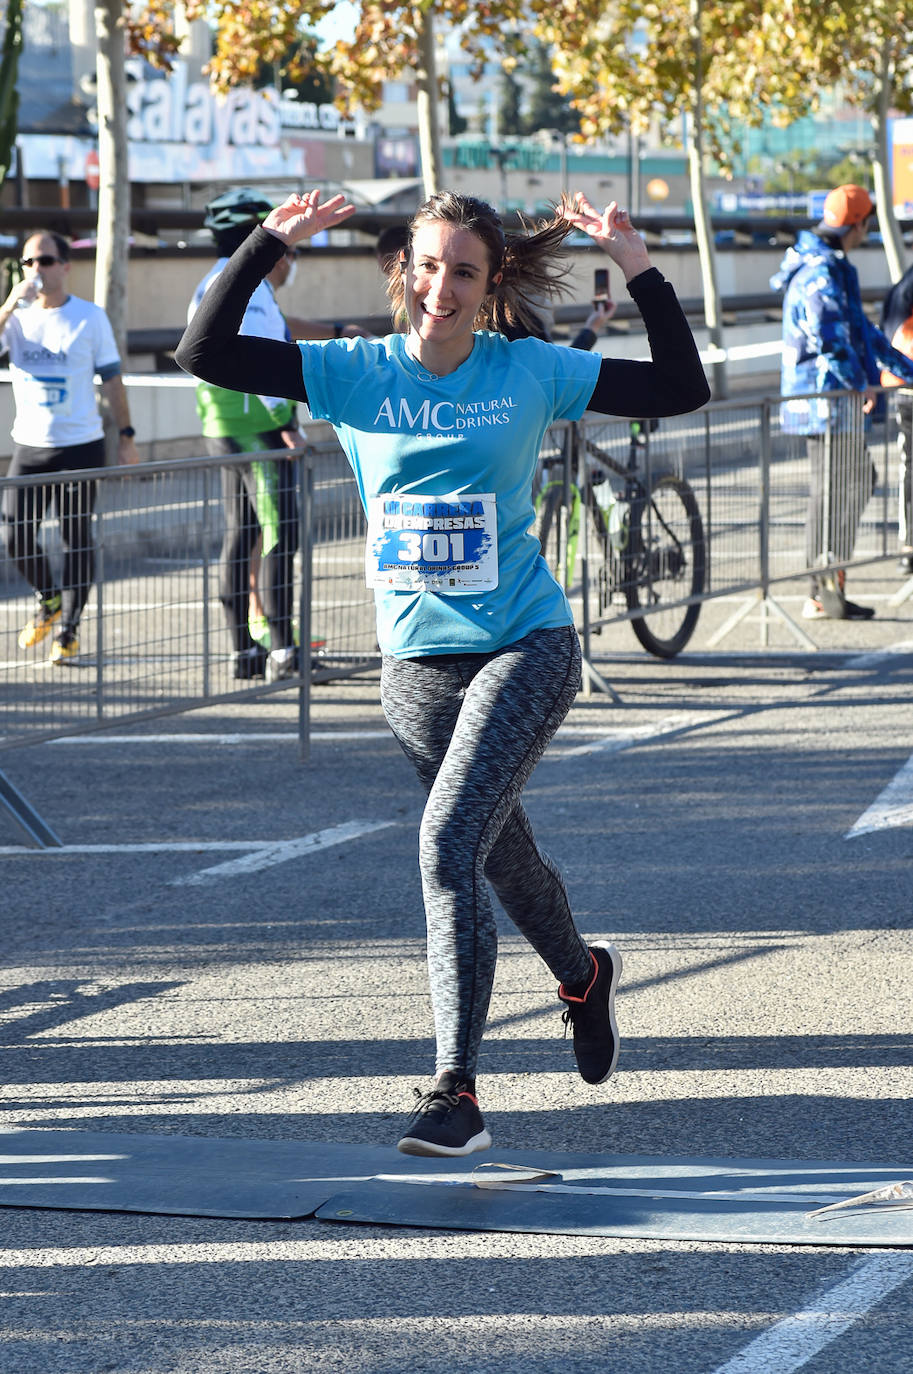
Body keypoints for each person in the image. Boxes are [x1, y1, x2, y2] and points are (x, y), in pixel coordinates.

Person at [176, 187, 710, 1156]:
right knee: (498, 858)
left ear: (488, 282)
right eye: (426, 267)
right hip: (415, 665)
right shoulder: (353, 373)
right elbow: (202, 355)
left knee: (444, 848)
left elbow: (680, 386)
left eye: (462, 270)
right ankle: (584, 974)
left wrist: (637, 262)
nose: (441, 288)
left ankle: (454, 1089)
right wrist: (265, 243)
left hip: (524, 644)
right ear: (401, 274)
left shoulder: (529, 371)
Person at [189, 187, 371, 681]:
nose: (291, 262)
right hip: (254, 424)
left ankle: (244, 649)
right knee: (279, 533)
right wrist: (288, 424)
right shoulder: (249, 287)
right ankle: (283, 650)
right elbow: (269, 356)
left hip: (226, 422)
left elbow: (283, 329)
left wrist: (334, 330)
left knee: (243, 532)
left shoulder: (226, 279)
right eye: (290, 252)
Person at [771, 183, 913, 619]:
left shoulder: (829, 265)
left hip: (829, 399)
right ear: (859, 224)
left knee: (842, 487)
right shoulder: (823, 270)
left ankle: (828, 585)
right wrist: (860, 384)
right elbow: (830, 339)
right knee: (835, 490)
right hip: (824, 401)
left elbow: (863, 335)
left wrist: (906, 371)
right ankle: (822, 590)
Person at [0, 230, 140, 663]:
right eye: (27, 262)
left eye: (44, 261)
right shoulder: (17, 318)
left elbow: (113, 380)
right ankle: (50, 599)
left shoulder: (90, 317)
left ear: (65, 265)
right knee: (15, 535)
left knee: (76, 538)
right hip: (30, 446)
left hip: (81, 445)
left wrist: (127, 436)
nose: (35, 270)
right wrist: (8, 304)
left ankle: (69, 630)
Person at [879, 265, 913, 576]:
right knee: (909, 466)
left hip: (905, 383)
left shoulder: (904, 282)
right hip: (908, 384)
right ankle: (909, 545)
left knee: (909, 466)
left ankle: (908, 545)